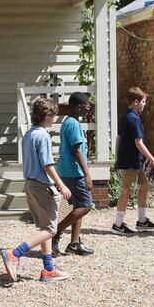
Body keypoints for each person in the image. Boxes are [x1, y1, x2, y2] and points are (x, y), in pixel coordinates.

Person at [1, 97, 73, 283]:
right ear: (46, 116)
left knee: (44, 227)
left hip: (30, 185)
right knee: (50, 229)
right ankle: (14, 253)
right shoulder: (43, 135)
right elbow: (47, 164)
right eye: (53, 115)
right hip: (43, 186)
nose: (54, 119)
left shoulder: (29, 134)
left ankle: (48, 269)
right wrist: (61, 184)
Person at [111, 87, 154, 235]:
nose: (145, 104)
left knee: (144, 186)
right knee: (127, 190)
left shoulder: (127, 115)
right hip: (130, 161)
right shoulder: (133, 118)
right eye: (144, 102)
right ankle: (118, 225)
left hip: (133, 161)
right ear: (136, 102)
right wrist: (153, 160)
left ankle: (142, 220)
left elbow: (119, 138)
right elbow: (139, 142)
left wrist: (117, 157)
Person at [52, 92, 94, 255]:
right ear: (78, 106)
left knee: (78, 205)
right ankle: (56, 232)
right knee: (86, 205)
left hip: (65, 170)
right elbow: (76, 150)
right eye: (87, 104)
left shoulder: (68, 121)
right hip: (74, 172)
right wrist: (87, 174)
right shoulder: (74, 124)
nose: (89, 107)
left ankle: (74, 243)